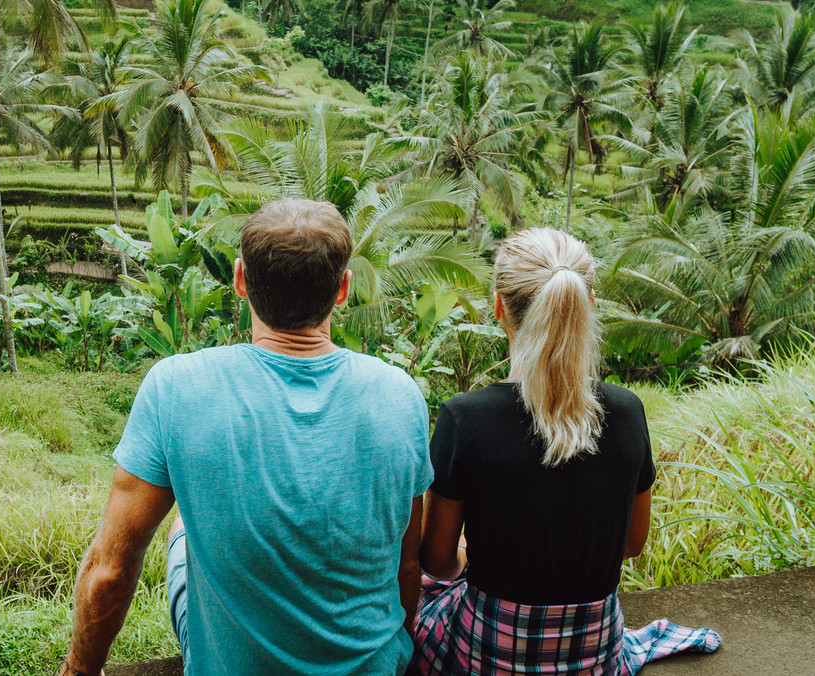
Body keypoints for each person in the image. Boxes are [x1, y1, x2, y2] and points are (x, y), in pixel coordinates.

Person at [60, 197, 433, 676]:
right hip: (376, 667)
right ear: (342, 289)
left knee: (181, 531)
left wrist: (77, 670)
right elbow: (407, 566)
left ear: (239, 279)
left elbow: (109, 571)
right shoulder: (401, 395)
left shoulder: (176, 385)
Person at [412, 227, 720, 676]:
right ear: (587, 305)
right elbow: (632, 544)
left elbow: (437, 562)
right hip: (595, 652)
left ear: (498, 307)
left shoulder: (465, 418)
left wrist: (465, 553)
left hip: (490, 654)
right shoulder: (627, 411)